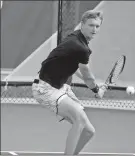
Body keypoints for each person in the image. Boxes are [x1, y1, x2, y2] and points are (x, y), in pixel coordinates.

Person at [32, 10, 105, 155]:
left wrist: (93, 84)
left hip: (60, 87)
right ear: (82, 24)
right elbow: (87, 75)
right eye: (91, 25)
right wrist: (97, 90)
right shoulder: (81, 48)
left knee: (89, 131)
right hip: (45, 89)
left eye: (97, 26)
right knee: (78, 119)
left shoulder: (75, 37)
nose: (94, 30)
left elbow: (78, 69)